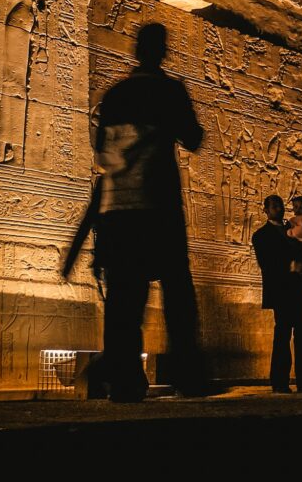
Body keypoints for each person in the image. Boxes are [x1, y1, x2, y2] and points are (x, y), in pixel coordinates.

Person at [92, 22, 215, 401]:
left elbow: (102, 155)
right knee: (177, 291)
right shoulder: (168, 91)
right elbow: (193, 138)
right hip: (157, 204)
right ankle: (188, 376)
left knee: (124, 299)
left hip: (118, 207)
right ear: (161, 52)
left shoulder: (113, 96)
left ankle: (125, 381)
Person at [252, 194, 302, 393]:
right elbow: (267, 264)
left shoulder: (292, 229)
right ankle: (280, 381)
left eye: (280, 205)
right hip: (282, 289)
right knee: (283, 335)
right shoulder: (261, 235)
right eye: (274, 206)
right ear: (266, 210)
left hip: (300, 289)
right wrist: (292, 265)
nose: (279, 208)